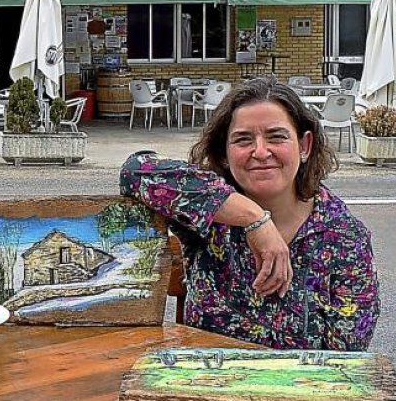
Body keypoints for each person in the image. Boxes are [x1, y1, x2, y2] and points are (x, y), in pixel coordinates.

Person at [119, 77, 379, 350]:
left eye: (276, 137)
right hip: (211, 385)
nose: (261, 151)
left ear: (304, 146)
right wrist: (255, 219)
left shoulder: (344, 236)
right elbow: (135, 171)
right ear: (223, 153)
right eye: (243, 139)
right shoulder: (210, 216)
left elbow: (349, 352)